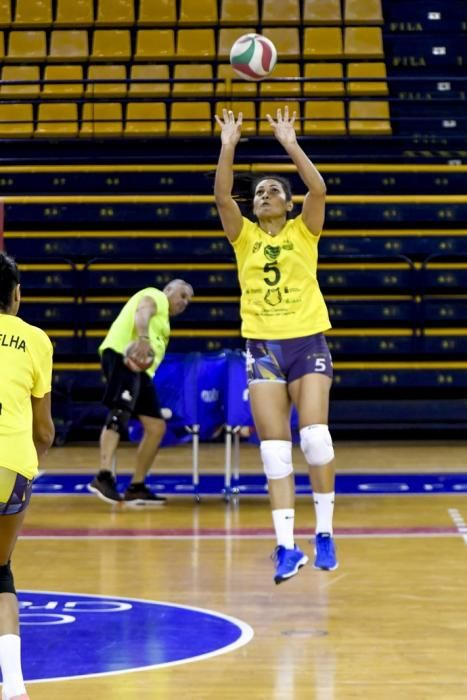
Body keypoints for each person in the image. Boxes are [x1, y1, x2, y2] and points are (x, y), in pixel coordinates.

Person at [214, 106, 338, 584]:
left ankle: (324, 532)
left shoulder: (303, 232)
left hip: (306, 342)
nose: (265, 195)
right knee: (273, 452)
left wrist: (290, 143)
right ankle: (286, 548)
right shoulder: (243, 237)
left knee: (315, 437)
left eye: (274, 191)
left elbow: (320, 190)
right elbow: (223, 195)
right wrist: (229, 145)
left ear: (288, 204)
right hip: (264, 346)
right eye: (260, 191)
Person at [0, 252, 55, 700]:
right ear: (16, 296)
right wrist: (26, 465)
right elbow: (46, 431)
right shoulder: (36, 340)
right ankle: (15, 685)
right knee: (1, 573)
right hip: (12, 466)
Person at [88, 279, 194, 507]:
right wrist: (144, 339)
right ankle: (103, 476)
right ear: (168, 290)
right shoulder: (156, 296)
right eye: (182, 295)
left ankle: (137, 487)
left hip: (140, 371)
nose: (185, 302)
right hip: (122, 355)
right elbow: (143, 311)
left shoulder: (164, 323)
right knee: (120, 410)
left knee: (156, 426)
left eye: (188, 300)